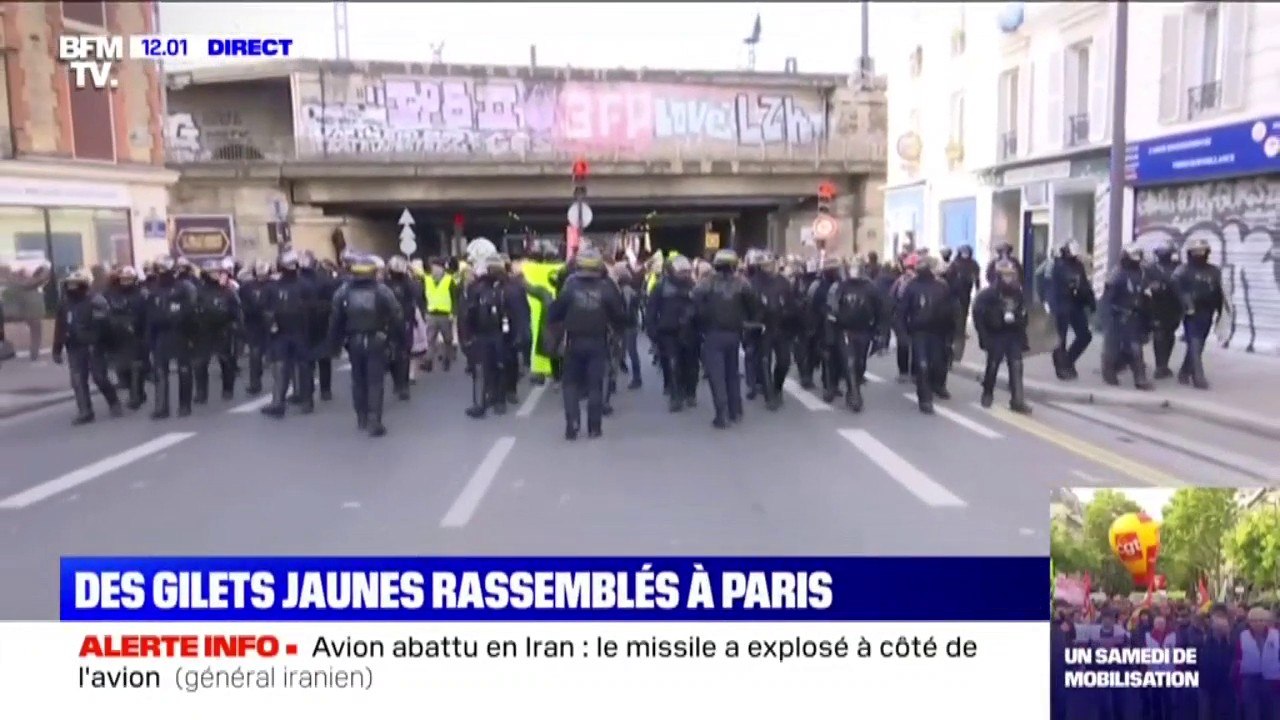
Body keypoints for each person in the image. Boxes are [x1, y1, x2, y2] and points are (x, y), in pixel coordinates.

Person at [546, 247, 625, 439]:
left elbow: (555, 312)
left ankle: (572, 423)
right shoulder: (607, 286)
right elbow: (620, 314)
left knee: (570, 384)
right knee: (595, 385)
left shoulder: (569, 286)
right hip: (598, 341)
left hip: (573, 341)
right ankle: (594, 427)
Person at [325, 255, 403, 437]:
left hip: (353, 341)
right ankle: (374, 420)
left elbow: (335, 321)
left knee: (358, 379)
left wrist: (334, 345)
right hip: (377, 339)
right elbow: (397, 316)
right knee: (375, 381)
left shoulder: (343, 292)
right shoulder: (383, 291)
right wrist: (396, 340)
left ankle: (362, 417)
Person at [692, 249, 758, 429]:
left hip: (713, 334)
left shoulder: (706, 284)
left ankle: (721, 415)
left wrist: (700, 322)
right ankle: (735, 411)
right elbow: (754, 306)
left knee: (717, 376)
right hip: (734, 334)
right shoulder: (743, 284)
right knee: (732, 374)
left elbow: (695, 304)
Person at [51, 268, 122, 424]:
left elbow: (105, 326)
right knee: (77, 379)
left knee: (99, 377)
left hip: (93, 345)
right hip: (74, 346)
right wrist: (56, 349)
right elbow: (60, 326)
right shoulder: (64, 304)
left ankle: (113, 401)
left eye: (76, 284)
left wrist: (108, 346)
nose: (72, 287)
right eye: (70, 284)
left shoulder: (96, 301)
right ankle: (85, 411)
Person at [260, 250, 319, 418]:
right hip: (283, 332)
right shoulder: (273, 286)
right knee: (282, 367)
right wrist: (270, 321)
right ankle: (280, 402)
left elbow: (313, 309)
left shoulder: (304, 286)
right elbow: (264, 309)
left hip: (298, 331)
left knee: (301, 367)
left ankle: (301, 400)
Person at [972, 259, 1031, 413]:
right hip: (996, 335)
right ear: (998, 276)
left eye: (1011, 275)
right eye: (1006, 275)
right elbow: (978, 316)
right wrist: (984, 337)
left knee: (1016, 366)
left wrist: (1020, 323)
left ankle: (1017, 400)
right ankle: (988, 392)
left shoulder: (1018, 293)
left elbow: (1024, 314)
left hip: (1013, 334)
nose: (1009, 278)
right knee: (993, 365)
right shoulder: (988, 295)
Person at [826, 257, 884, 412]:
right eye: (851, 267)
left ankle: (854, 386)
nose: (854, 271)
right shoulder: (840, 287)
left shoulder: (871, 288)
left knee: (860, 363)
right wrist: (831, 330)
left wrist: (880, 333)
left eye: (857, 268)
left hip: (864, 330)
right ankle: (855, 395)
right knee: (849, 362)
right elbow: (831, 309)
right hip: (844, 330)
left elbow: (880, 310)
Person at [144, 256, 199, 419]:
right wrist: (149, 337)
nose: (162, 274)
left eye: (165, 270)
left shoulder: (184, 288)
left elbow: (190, 312)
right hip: (161, 334)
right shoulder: (154, 290)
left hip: (181, 333)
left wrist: (192, 335)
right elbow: (150, 315)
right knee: (160, 371)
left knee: (184, 370)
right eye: (159, 270)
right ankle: (161, 407)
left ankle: (185, 405)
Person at [900, 254, 954, 414]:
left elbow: (950, 309)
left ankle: (937, 385)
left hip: (938, 332)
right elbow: (902, 311)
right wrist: (902, 332)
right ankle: (925, 399)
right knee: (922, 365)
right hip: (919, 332)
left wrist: (952, 332)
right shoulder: (911, 287)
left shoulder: (941, 286)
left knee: (937, 364)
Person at [647, 254, 699, 412]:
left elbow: (702, 308)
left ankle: (690, 392)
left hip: (690, 331)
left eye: (686, 271)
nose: (683, 275)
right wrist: (652, 331)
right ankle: (675, 396)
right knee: (672, 363)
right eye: (680, 271)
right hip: (668, 332)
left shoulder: (693, 286)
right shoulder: (661, 287)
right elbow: (652, 310)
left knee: (691, 364)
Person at [1171, 236, 1225, 390]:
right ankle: (1198, 376)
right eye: (1196, 251)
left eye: (1202, 251)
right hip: (1191, 312)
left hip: (1207, 312)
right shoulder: (1183, 270)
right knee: (1194, 343)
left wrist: (1221, 313)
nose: (1199, 254)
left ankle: (1184, 371)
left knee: (1199, 344)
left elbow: (1220, 292)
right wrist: (1186, 304)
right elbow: (1176, 287)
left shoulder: (1214, 271)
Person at [1100, 245, 1154, 390]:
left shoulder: (1142, 274)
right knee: (1113, 348)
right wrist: (1108, 316)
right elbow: (1107, 299)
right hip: (1118, 316)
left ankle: (1139, 377)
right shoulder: (1117, 274)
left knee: (1135, 348)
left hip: (1135, 316)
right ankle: (1110, 371)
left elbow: (1146, 295)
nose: (1136, 261)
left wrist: (1148, 316)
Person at [193, 257, 243, 403]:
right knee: (200, 363)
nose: (215, 275)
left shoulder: (228, 291)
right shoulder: (199, 292)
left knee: (226, 361)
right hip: (203, 331)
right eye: (211, 272)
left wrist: (237, 326)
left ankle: (228, 389)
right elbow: (192, 311)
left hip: (223, 330)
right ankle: (201, 393)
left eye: (217, 272)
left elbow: (236, 310)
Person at [1046, 241, 1095, 381]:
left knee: (1085, 335)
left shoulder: (1077, 265)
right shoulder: (1056, 265)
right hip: (1060, 305)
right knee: (1060, 338)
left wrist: (1090, 301)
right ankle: (1061, 368)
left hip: (1075, 305)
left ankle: (1068, 360)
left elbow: (1083, 283)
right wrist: (1050, 304)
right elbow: (1048, 285)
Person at [103, 265, 149, 410]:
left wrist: (144, 336)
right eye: (123, 279)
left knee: (136, 367)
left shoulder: (141, 295)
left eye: (129, 279)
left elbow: (146, 317)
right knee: (122, 369)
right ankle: (137, 392)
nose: (125, 281)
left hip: (135, 336)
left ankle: (135, 396)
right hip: (117, 338)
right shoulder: (111, 294)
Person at [384, 255, 423, 401]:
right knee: (395, 354)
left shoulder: (408, 284)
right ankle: (399, 383)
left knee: (404, 354)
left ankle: (403, 384)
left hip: (404, 321)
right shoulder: (385, 284)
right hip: (392, 323)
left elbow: (415, 299)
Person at [1146, 242, 1183, 380]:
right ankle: (1160, 366)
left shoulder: (1177, 267)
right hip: (1156, 305)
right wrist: (1154, 287)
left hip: (1173, 305)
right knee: (1159, 334)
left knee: (1169, 334)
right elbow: (1146, 283)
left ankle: (1164, 364)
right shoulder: (1151, 268)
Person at [421, 257, 457, 372]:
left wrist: (453, 312)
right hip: (431, 313)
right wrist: (424, 311)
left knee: (447, 339)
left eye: (437, 267)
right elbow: (422, 297)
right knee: (430, 339)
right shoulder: (426, 280)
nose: (435, 270)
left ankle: (447, 359)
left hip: (445, 314)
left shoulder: (449, 280)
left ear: (442, 269)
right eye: (433, 267)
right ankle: (428, 361)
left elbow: (455, 297)